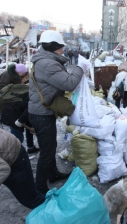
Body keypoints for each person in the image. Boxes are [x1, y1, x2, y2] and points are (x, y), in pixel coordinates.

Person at [29, 30, 88, 194]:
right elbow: (69, 83)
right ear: (54, 47)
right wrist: (80, 68)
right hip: (41, 114)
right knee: (47, 151)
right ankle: (39, 188)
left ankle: (53, 174)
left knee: (50, 145)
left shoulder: (46, 60)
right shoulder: (47, 64)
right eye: (61, 47)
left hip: (42, 111)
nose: (63, 50)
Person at [0, 87, 40, 154]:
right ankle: (15, 153)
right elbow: (28, 111)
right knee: (18, 137)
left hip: (19, 110)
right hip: (12, 113)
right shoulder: (37, 98)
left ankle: (30, 147)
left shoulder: (34, 93)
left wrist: (31, 127)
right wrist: (20, 122)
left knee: (29, 130)